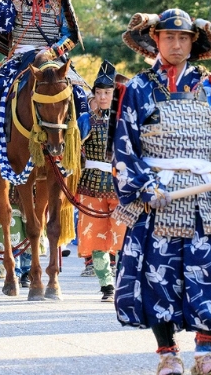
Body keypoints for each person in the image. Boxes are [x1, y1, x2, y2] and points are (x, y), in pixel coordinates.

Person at [113, 9, 211, 375]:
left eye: (183, 38)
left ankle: (205, 354)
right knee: (158, 274)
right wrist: (143, 184)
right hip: (157, 195)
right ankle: (167, 354)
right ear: (155, 40)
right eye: (169, 37)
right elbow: (125, 145)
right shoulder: (138, 88)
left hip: (203, 194)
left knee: (208, 270)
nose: (176, 44)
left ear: (193, 42)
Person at [0, 0, 89, 177]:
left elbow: (71, 35)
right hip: (19, 57)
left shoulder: (59, 1)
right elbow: (1, 24)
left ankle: (78, 144)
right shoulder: (14, 2)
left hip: (52, 57)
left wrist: (52, 52)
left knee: (80, 93)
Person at [77, 61, 126, 302]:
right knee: (95, 236)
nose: (103, 97)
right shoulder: (85, 119)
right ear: (94, 94)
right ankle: (106, 284)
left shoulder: (125, 120)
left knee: (121, 235)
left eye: (107, 93)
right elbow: (71, 149)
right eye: (99, 93)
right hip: (92, 184)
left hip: (120, 184)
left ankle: (123, 281)